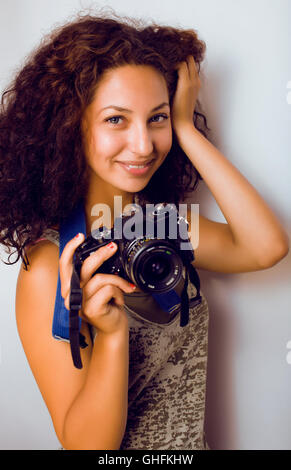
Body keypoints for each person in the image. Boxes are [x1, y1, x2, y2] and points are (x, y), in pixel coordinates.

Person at [0, 9, 289, 451]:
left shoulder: (160, 226)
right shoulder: (51, 263)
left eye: (155, 118)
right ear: (70, 126)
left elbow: (266, 247)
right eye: (116, 119)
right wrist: (112, 335)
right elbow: (86, 446)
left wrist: (184, 129)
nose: (143, 145)